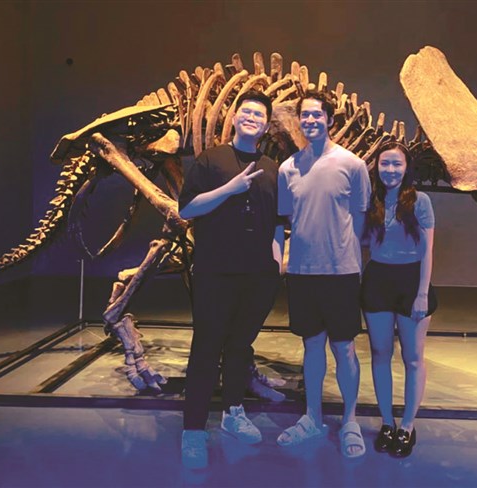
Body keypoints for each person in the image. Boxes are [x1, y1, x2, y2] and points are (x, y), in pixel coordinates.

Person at [178, 90, 284, 469]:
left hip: (258, 275)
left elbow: (278, 221)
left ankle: (233, 412)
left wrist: (276, 263)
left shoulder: (273, 169)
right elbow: (186, 209)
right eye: (247, 112)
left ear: (266, 125)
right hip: (215, 271)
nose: (252, 118)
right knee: (207, 346)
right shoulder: (210, 160)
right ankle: (193, 429)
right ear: (235, 117)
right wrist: (230, 189)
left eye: (259, 114)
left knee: (240, 345)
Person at [276, 91, 371, 458]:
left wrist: (344, 256)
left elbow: (359, 219)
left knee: (344, 347)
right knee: (311, 345)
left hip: (340, 271)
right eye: (305, 115)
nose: (311, 121)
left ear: (330, 119)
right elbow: (288, 219)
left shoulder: (353, 165)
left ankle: (350, 420)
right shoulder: (288, 168)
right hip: (302, 272)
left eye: (317, 115)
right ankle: (312, 417)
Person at [361, 141, 436, 458]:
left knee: (413, 357)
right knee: (380, 353)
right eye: (385, 163)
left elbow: (427, 251)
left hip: (411, 281)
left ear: (406, 169)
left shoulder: (420, 201)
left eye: (396, 164)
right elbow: (364, 240)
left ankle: (407, 425)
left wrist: (422, 294)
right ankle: (387, 423)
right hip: (378, 280)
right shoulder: (372, 200)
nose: (390, 170)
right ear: (377, 167)